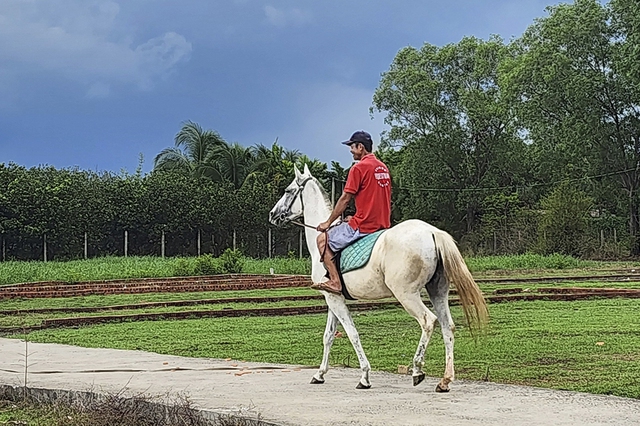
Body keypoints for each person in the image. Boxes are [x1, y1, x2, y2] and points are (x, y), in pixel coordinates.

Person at [310, 131, 392, 295]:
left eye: (352, 146)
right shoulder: (382, 167)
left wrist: (327, 222)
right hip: (383, 223)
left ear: (360, 147)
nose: (350, 150)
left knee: (321, 240)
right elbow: (374, 197)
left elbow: (345, 199)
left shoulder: (359, 168)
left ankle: (334, 281)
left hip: (365, 225)